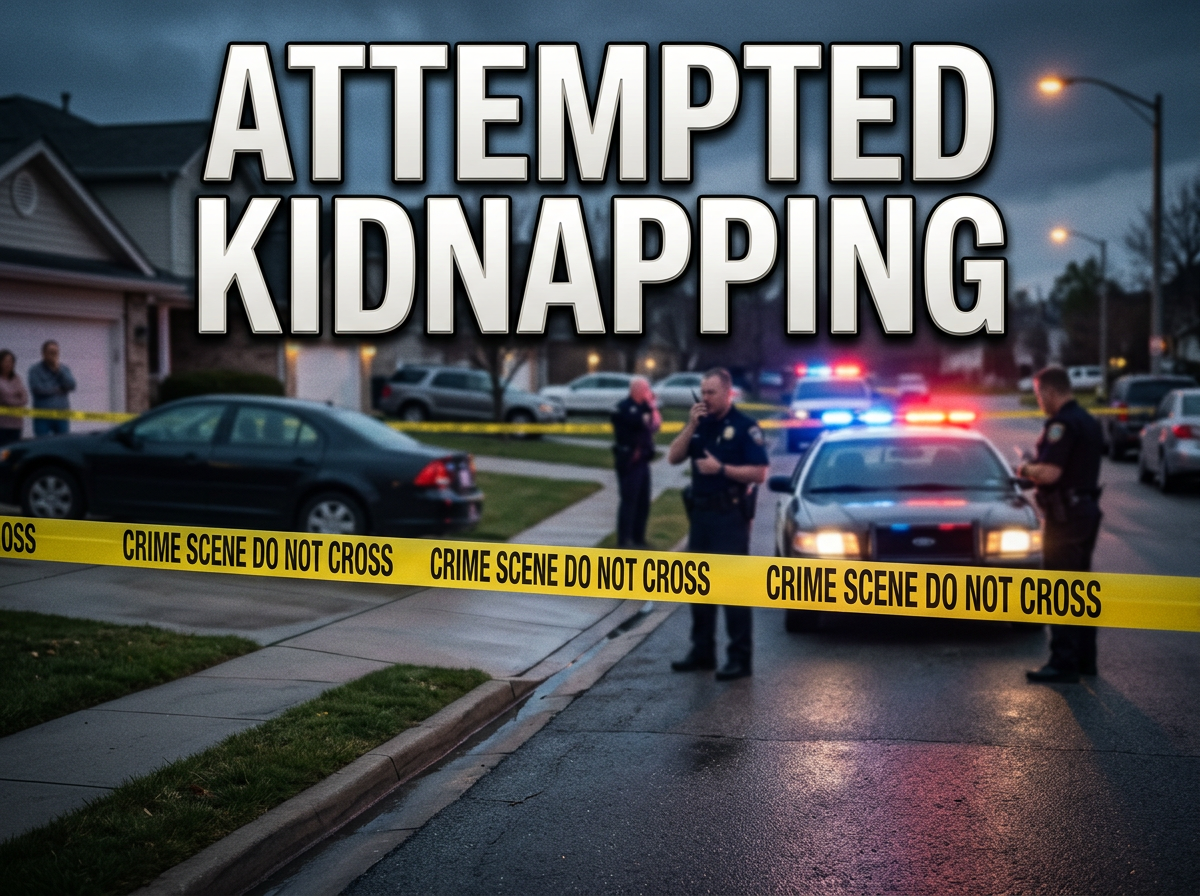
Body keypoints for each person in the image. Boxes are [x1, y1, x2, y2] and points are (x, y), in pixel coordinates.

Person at [667, 367, 768, 681]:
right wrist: (690, 425)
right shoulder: (701, 426)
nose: (706, 398)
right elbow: (673, 457)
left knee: (733, 591)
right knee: (699, 588)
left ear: (728, 393)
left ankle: (740, 658)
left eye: (711, 392)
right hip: (700, 517)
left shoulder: (744, 428)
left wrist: (721, 468)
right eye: (703, 392)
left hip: (730, 517)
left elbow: (759, 473)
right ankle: (702, 652)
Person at [1018, 365, 1104, 684]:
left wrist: (1026, 468)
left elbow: (1052, 473)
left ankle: (1063, 662)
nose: (1039, 401)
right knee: (1080, 589)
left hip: (1065, 519)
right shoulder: (1088, 421)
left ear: (1051, 392)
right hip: (1085, 512)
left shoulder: (1062, 424)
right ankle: (1084, 660)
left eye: (1039, 395)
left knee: (1059, 590)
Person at [612, 376, 662, 548]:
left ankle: (639, 538)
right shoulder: (623, 407)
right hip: (629, 459)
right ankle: (624, 540)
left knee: (643, 501)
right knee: (629, 500)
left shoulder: (645, 406)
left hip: (643, 459)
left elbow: (655, 425)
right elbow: (639, 423)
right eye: (646, 389)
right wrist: (646, 415)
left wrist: (652, 406)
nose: (649, 392)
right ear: (637, 389)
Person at [28, 340, 75, 437]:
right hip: (43, 415)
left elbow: (72, 385)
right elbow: (37, 389)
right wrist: (59, 389)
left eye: (56, 352)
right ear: (43, 353)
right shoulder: (35, 370)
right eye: (51, 352)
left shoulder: (64, 369)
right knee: (42, 444)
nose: (54, 355)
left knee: (62, 443)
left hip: (61, 415)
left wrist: (58, 370)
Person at [0, 350, 30, 446]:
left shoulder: (17, 378)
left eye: (11, 361)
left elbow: (24, 398)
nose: (8, 364)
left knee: (13, 453)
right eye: (5, 361)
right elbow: (5, 400)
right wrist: (15, 396)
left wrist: (10, 397)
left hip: (16, 424)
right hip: (2, 424)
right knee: (3, 453)